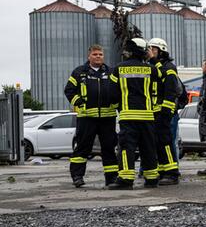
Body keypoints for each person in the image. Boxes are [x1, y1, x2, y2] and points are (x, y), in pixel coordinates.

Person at [108, 38, 161, 189]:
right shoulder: (151, 69)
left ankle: (125, 179)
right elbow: (156, 92)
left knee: (126, 147)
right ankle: (151, 178)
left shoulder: (118, 69)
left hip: (128, 116)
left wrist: (117, 107)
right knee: (148, 147)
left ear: (130, 51)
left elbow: (111, 93)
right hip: (148, 116)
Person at [64, 45, 119, 187]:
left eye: (100, 54)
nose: (98, 56)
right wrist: (80, 103)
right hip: (86, 117)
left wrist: (115, 103)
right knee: (83, 147)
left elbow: (119, 90)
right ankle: (77, 177)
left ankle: (112, 178)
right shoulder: (79, 72)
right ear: (89, 56)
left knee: (109, 148)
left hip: (108, 117)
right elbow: (69, 90)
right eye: (95, 54)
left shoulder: (111, 72)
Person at [146, 38, 182, 185]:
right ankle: (162, 170)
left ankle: (172, 173)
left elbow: (171, 90)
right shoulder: (153, 67)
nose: (150, 52)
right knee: (158, 143)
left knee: (166, 142)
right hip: (155, 112)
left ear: (161, 51)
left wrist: (166, 111)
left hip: (164, 112)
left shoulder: (168, 68)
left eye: (153, 49)